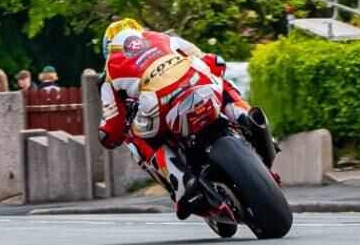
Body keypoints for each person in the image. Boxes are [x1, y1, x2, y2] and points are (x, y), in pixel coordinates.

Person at [96, 18, 273, 219]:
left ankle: (181, 180)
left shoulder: (110, 69)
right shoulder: (163, 37)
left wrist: (108, 137)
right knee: (218, 80)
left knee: (134, 137)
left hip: (158, 103)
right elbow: (211, 60)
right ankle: (249, 118)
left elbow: (113, 124)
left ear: (108, 48)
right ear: (140, 31)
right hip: (198, 82)